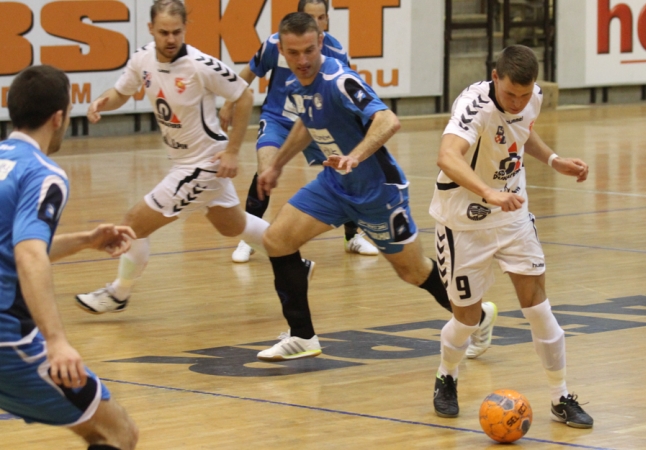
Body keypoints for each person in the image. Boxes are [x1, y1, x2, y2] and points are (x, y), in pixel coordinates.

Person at [254, 12, 452, 362]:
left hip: (377, 192)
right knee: (277, 240)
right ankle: (302, 337)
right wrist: (276, 165)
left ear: (321, 42)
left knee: (413, 271)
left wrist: (355, 156)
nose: (303, 60)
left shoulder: (339, 79)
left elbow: (388, 120)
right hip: (334, 186)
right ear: (282, 51)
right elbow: (306, 121)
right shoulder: (295, 82)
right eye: (294, 53)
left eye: (310, 51)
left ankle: (475, 317)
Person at [429, 45, 594, 428]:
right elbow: (447, 156)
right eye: (510, 94)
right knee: (467, 319)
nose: (518, 102)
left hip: (512, 216)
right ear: (495, 76)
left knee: (538, 307)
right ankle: (446, 376)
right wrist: (488, 192)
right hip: (462, 223)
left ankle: (560, 396)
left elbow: (521, 134)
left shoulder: (530, 98)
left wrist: (554, 161)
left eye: (525, 94)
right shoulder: (475, 106)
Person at [75, 0, 268, 313]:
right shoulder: (142, 59)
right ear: (151, 29)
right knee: (232, 225)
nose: (170, 39)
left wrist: (233, 151)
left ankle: (118, 294)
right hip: (185, 161)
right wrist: (101, 103)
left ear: (185, 30)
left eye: (177, 32)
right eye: (163, 32)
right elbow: (122, 92)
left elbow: (244, 95)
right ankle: (291, 260)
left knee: (133, 225)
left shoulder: (200, 65)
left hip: (204, 163)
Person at [0, 65, 139, 449]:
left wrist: (84, 241)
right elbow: (28, 255)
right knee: (117, 432)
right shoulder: (43, 173)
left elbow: (11, 247)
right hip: (7, 341)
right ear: (59, 118)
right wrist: (56, 340)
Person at [224, 0, 378, 264]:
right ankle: (249, 238)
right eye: (311, 17)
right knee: (266, 167)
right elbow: (248, 72)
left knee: (345, 168)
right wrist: (229, 102)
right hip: (279, 119)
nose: (317, 23)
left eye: (322, 17)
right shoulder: (276, 44)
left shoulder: (336, 51)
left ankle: (352, 236)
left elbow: (346, 94)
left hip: (320, 121)